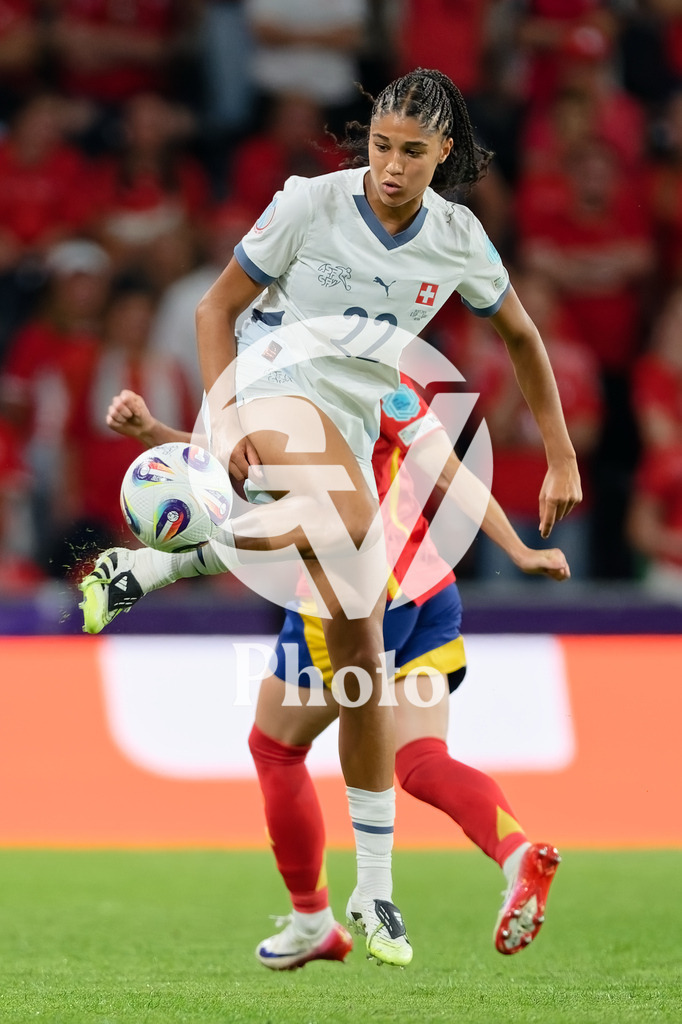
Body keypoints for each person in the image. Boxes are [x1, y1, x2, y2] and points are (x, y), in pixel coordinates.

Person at [79, 68, 582, 965]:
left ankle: (333, 911)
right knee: (404, 741)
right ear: (368, 140)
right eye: (381, 146)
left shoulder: (451, 254)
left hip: (356, 554)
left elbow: (507, 361)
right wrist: (215, 418)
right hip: (374, 527)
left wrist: (556, 464)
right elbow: (219, 312)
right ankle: (474, 865)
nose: (391, 166)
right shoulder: (309, 208)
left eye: (413, 153)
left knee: (294, 738)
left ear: (447, 157)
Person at [94, 380, 568, 969]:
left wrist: (158, 436)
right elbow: (442, 471)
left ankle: (313, 920)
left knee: (274, 746)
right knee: (421, 762)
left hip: (351, 591)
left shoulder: (299, 371)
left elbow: (253, 465)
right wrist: (517, 549)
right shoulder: (391, 385)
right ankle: (518, 853)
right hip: (426, 585)